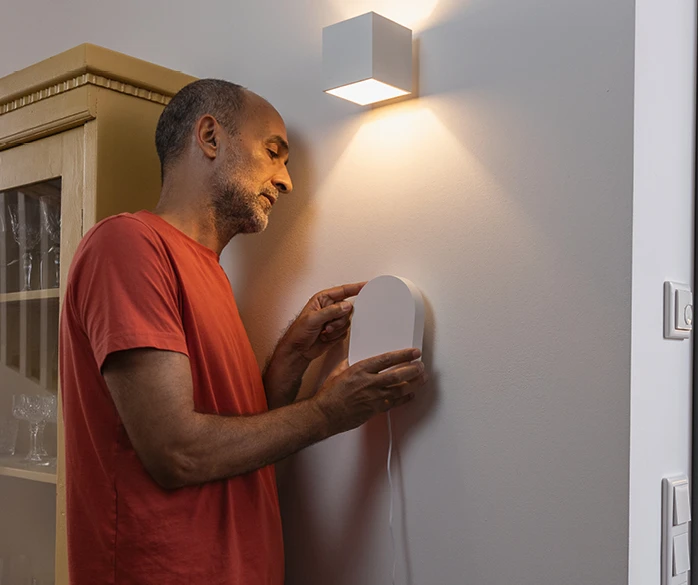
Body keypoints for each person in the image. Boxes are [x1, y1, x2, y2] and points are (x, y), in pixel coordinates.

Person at [58, 79, 427, 584]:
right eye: (274, 153)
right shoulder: (127, 245)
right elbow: (177, 452)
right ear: (209, 137)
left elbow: (234, 435)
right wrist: (329, 411)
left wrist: (290, 360)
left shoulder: (210, 273)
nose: (287, 182)